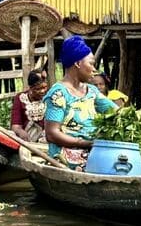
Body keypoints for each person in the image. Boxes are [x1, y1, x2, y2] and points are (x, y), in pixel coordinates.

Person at [44, 36, 118, 170]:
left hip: (93, 152)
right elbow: (52, 134)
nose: (94, 69)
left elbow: (116, 112)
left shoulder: (92, 91)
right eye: (91, 63)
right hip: (66, 159)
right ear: (78, 63)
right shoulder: (58, 94)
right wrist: (86, 143)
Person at [10, 70, 48, 142]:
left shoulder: (50, 98)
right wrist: (21, 132)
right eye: (38, 89)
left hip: (45, 137)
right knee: (10, 134)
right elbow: (15, 125)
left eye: (44, 87)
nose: (42, 91)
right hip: (25, 139)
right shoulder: (20, 98)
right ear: (30, 88)